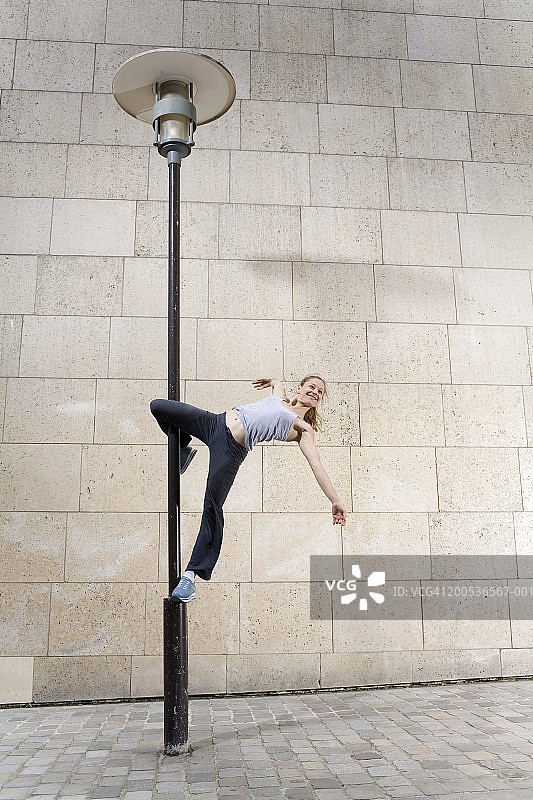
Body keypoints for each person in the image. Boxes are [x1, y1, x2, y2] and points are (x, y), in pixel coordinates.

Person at [150, 374, 347, 602]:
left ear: (319, 400)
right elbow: (276, 383)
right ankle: (184, 447)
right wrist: (271, 381)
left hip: (231, 450)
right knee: (158, 407)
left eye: (320, 392)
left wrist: (334, 499)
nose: (315, 392)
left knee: (213, 506)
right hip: (215, 423)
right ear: (300, 388)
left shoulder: (303, 429)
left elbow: (316, 464)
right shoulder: (279, 396)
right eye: (312, 387)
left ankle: (190, 577)